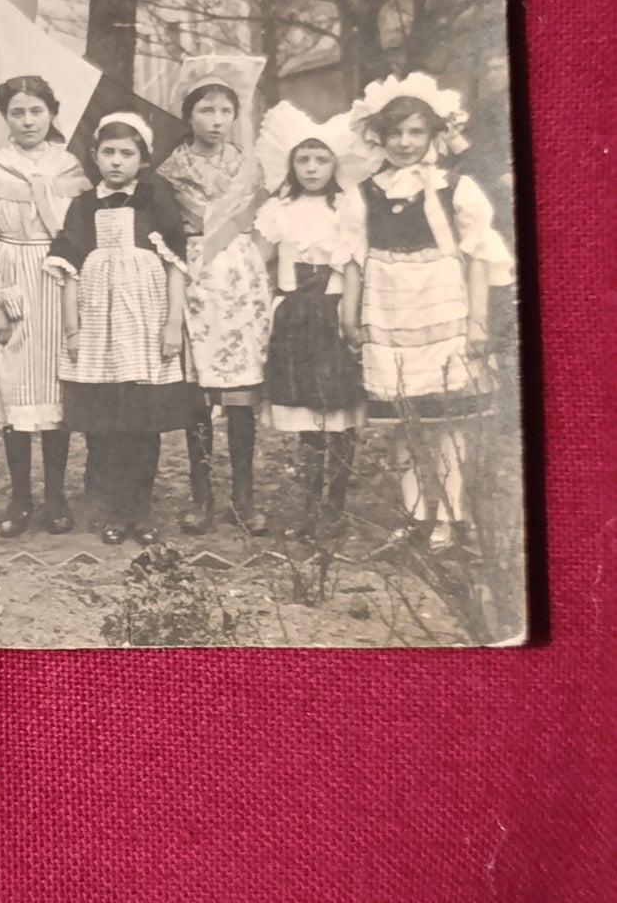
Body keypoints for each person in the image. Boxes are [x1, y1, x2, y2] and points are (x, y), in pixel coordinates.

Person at [349, 73, 513, 551]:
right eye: (395, 133)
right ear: (380, 136)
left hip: (443, 309)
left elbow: (480, 258)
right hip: (389, 312)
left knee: (448, 420)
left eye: (415, 132)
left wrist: (477, 321)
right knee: (404, 418)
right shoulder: (365, 193)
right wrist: (351, 319)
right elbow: (354, 258)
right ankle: (417, 515)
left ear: (434, 135)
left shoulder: (456, 188)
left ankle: (453, 518)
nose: (404, 142)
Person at [46, 114, 194, 545]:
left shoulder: (155, 199)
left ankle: (141, 510)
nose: (116, 162)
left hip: (145, 323)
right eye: (107, 153)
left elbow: (175, 265)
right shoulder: (84, 205)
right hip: (99, 325)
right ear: (94, 157)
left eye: (126, 154)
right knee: (107, 421)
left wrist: (172, 324)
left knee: (142, 420)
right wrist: (72, 327)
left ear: (143, 160)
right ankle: (114, 507)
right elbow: (69, 268)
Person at [0, 74, 89, 537]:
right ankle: (20, 498)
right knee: (14, 389)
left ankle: (55, 497)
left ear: (52, 113)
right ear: (5, 117)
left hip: (58, 280)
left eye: (36, 110)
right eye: (18, 112)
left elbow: (79, 231)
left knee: (56, 388)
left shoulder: (68, 165)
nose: (28, 120)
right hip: (11, 275)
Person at [156, 57, 273, 534]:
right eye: (206, 110)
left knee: (241, 397)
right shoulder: (170, 170)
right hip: (195, 281)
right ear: (189, 117)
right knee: (198, 398)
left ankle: (243, 495)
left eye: (226, 110)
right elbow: (168, 233)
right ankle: (200, 495)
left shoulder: (251, 167)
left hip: (242, 283)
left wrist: (254, 264)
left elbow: (266, 225)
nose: (217, 120)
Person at [252, 111, 367, 540]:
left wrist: (351, 323)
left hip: (333, 315)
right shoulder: (279, 209)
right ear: (291, 164)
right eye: (304, 160)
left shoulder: (349, 208)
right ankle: (308, 508)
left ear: (335, 164)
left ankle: (335, 506)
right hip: (294, 319)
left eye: (321, 160)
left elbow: (353, 268)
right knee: (308, 420)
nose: (313, 169)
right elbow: (252, 261)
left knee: (338, 413)